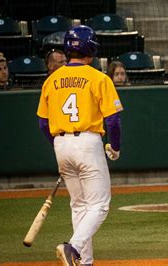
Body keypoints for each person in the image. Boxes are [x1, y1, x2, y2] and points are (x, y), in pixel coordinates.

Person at [36, 25, 123, 266]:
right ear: (90, 48)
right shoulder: (98, 77)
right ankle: (72, 247)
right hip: (88, 142)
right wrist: (114, 147)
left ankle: (85, 262)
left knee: (79, 205)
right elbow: (113, 119)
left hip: (61, 144)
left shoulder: (51, 80)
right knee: (100, 205)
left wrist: (60, 146)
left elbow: (43, 123)